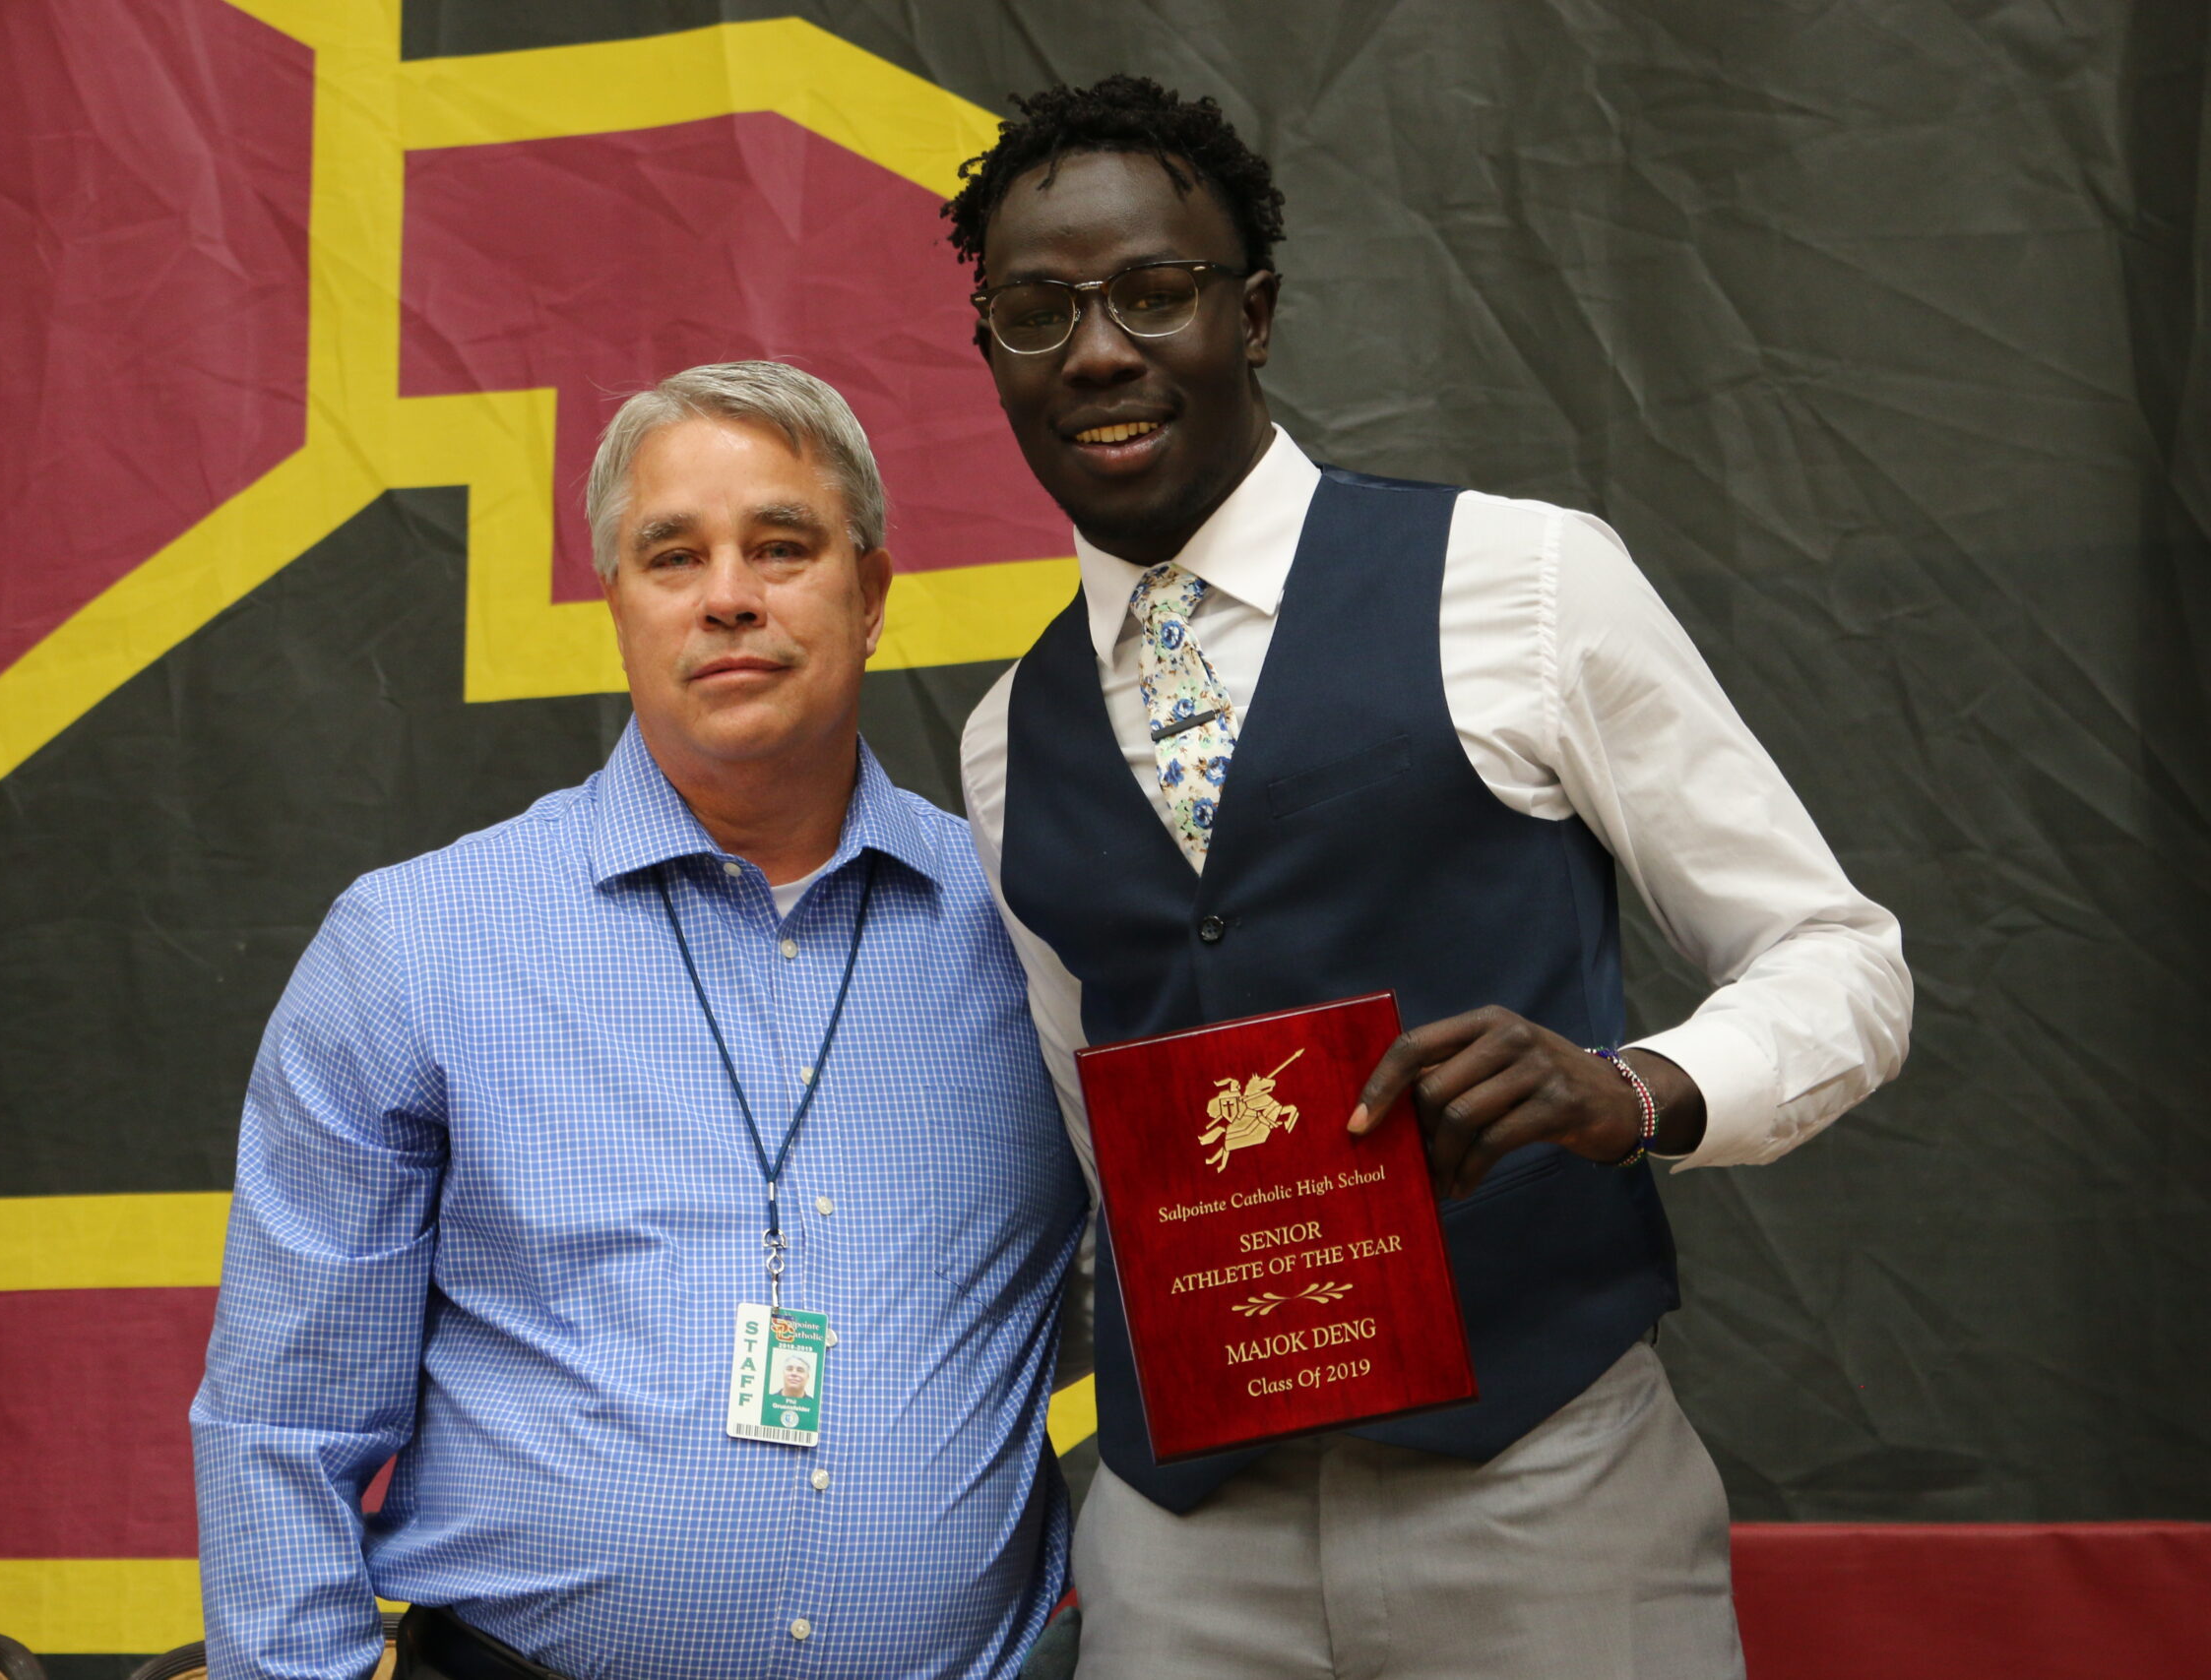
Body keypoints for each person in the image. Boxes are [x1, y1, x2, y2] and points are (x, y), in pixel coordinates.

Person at [948, 79, 1913, 1678]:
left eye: (1155, 294)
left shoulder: (1523, 579)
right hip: (1187, 1549)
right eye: (1038, 311)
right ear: (989, 351)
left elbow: (1839, 956)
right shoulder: (1003, 741)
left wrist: (1637, 1087)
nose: (1100, 352)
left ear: (1252, 315)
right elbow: (1097, 1143)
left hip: (1542, 1494)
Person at [192, 361, 1088, 1680]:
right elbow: (283, 1429)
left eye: (782, 546)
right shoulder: (416, 945)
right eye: (674, 556)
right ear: (616, 607)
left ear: (874, 594)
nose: (730, 595)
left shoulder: (1037, 932)